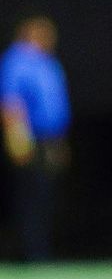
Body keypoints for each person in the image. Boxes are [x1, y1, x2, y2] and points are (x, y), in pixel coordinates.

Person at [0, 16, 71, 262]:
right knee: (29, 197)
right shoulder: (17, 61)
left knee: (45, 196)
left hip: (50, 140)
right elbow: (11, 104)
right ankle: (29, 253)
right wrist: (18, 142)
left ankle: (41, 252)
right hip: (29, 140)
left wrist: (59, 142)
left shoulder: (47, 61)